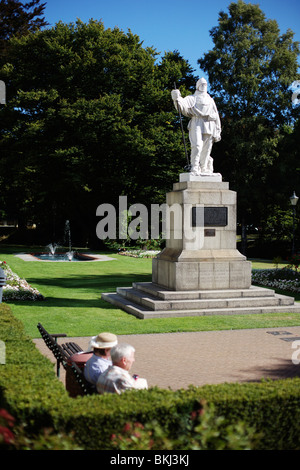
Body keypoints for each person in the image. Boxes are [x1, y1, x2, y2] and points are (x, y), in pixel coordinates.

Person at [171, 77, 221, 176]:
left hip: (209, 123)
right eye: (201, 84)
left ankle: (204, 167)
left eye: (205, 85)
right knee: (197, 146)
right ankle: (194, 166)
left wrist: (218, 129)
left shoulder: (210, 100)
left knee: (207, 148)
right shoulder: (192, 98)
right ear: (197, 86)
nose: (203, 86)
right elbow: (181, 105)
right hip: (196, 122)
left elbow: (216, 116)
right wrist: (176, 97)